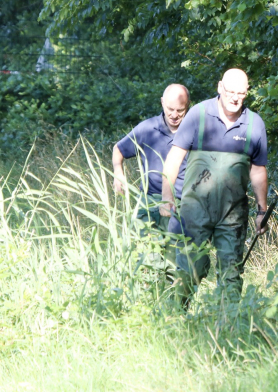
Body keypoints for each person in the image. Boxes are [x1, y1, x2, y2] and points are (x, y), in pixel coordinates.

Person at [159, 68, 269, 299]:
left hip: (232, 214)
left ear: (247, 92)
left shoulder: (254, 124)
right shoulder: (198, 115)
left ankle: (229, 325)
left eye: (241, 92)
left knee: (231, 274)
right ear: (220, 87)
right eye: (230, 91)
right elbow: (174, 159)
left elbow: (258, 171)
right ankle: (177, 318)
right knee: (190, 270)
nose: (235, 97)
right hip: (194, 211)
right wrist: (167, 198)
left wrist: (262, 210)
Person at [113, 84, 190, 239]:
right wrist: (118, 173)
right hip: (149, 200)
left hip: (181, 202)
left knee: (175, 257)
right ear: (162, 102)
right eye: (170, 109)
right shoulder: (147, 128)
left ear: (187, 107)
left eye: (180, 110)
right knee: (146, 256)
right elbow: (118, 149)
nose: (174, 115)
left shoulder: (193, 131)